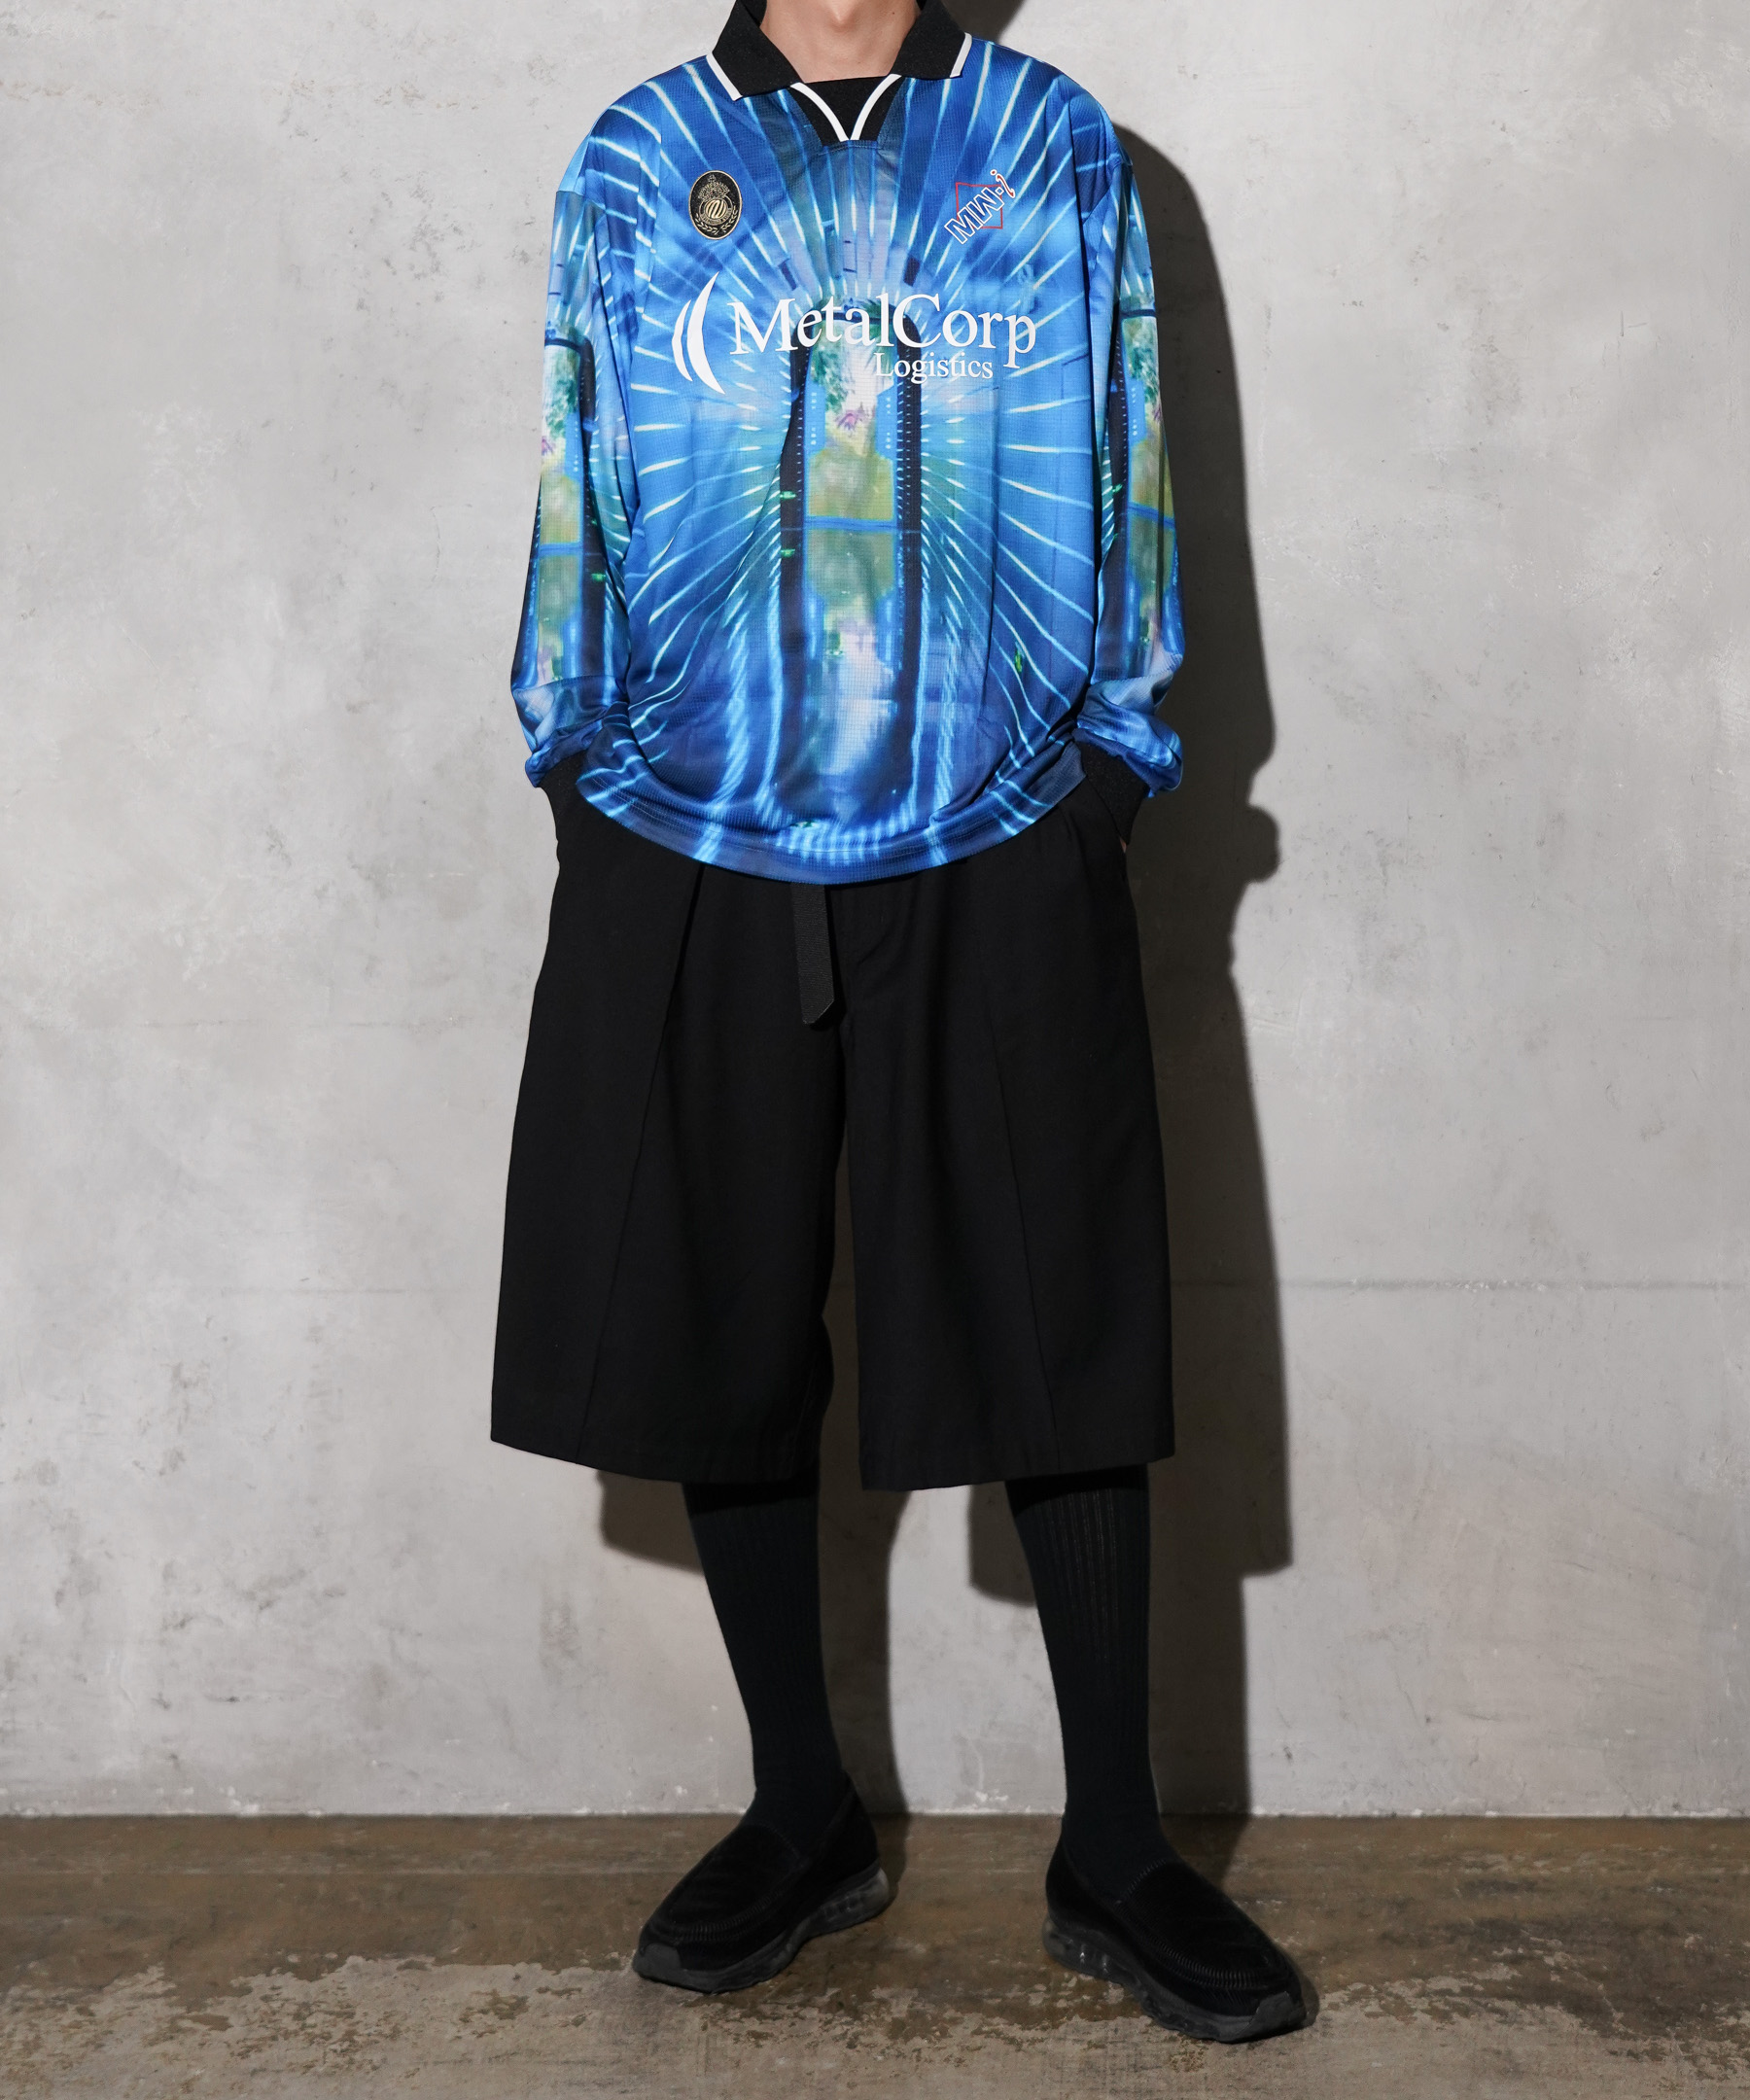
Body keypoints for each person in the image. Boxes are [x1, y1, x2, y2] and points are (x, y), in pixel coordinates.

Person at [491, 0, 1307, 2045]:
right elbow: (577, 456)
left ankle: (1117, 1848)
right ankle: (804, 1812)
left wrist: (1112, 767)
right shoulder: (640, 152)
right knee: (721, 1310)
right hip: (691, 816)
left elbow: (1127, 446)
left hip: (1002, 815)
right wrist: (579, 762)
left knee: (1064, 1316)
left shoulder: (1046, 140)